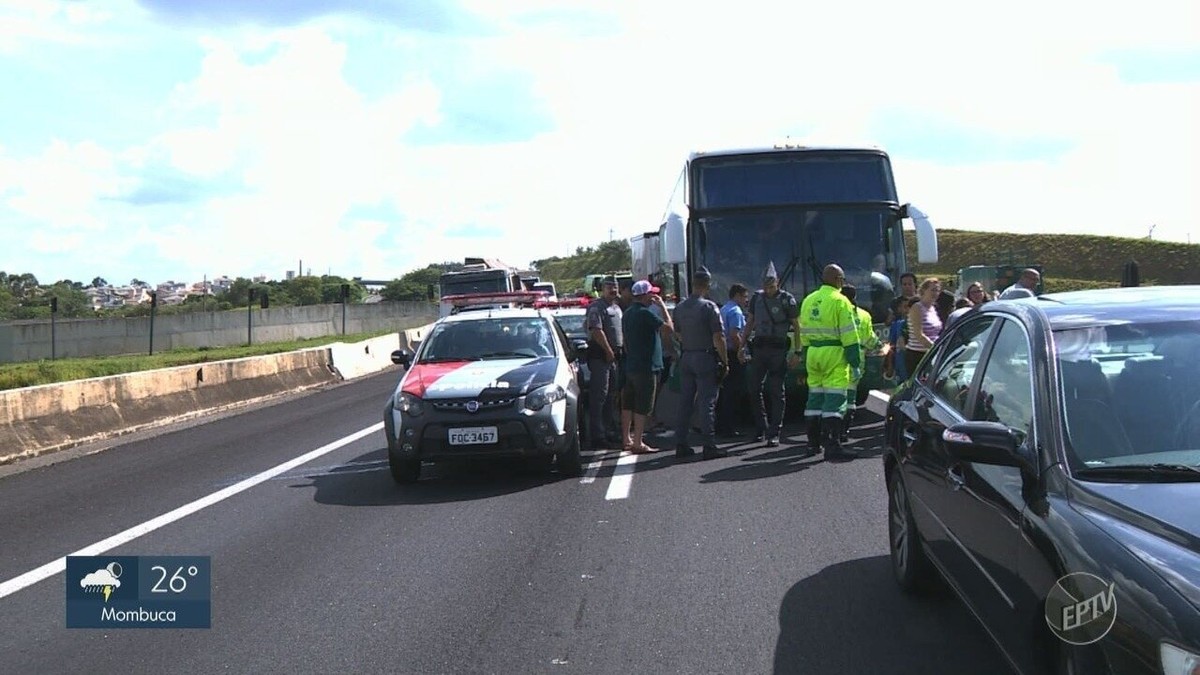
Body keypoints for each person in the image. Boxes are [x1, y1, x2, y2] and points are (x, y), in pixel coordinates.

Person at [798, 264, 860, 461]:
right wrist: (855, 362)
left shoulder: (808, 300)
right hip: (834, 353)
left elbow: (803, 331)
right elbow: (850, 335)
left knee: (814, 399)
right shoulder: (840, 301)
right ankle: (833, 446)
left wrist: (807, 354)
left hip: (813, 353)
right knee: (835, 399)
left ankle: (812, 444)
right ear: (838, 280)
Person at [672, 267, 729, 460]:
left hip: (687, 356)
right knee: (707, 403)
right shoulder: (709, 307)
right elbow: (719, 337)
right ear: (708, 285)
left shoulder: (679, 307)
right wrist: (724, 361)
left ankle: (681, 443)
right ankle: (709, 446)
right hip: (704, 356)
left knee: (685, 402)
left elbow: (677, 333)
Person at [742, 262, 800, 447]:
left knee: (776, 390)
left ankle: (775, 432)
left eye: (772, 286)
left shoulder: (787, 300)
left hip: (778, 350)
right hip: (759, 348)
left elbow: (797, 326)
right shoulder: (756, 299)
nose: (769, 290)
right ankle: (761, 427)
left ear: (778, 283)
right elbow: (750, 322)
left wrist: (797, 352)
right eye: (766, 286)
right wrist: (742, 345)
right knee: (753, 388)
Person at [620, 280, 674, 454]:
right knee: (643, 405)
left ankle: (626, 438)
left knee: (628, 403)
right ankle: (638, 442)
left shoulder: (627, 313)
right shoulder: (645, 314)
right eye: (652, 293)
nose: (654, 297)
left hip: (631, 364)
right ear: (645, 295)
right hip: (646, 366)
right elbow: (668, 329)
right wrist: (663, 308)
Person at [840, 284, 889, 441]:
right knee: (850, 398)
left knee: (832, 397)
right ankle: (844, 432)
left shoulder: (833, 311)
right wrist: (882, 346)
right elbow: (870, 339)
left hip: (834, 359)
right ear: (855, 298)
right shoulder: (864, 315)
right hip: (856, 361)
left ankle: (829, 432)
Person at [584, 276, 623, 450]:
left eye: (615, 287)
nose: (613, 290)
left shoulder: (616, 307)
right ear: (602, 289)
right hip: (601, 357)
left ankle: (609, 431)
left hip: (615, 357)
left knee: (611, 397)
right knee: (599, 396)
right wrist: (607, 351)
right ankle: (597, 435)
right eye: (609, 287)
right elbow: (596, 331)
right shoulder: (596, 307)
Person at [716, 283, 750, 437]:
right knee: (735, 391)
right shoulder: (736, 311)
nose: (746, 300)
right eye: (744, 296)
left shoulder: (723, 309)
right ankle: (729, 426)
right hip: (733, 354)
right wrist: (741, 352)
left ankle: (721, 424)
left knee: (725, 391)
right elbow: (734, 335)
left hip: (724, 353)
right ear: (737, 295)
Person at [904, 278, 943, 376]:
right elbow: (919, 334)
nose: (935, 293)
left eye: (937, 290)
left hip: (930, 353)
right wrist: (936, 349)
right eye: (932, 290)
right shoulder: (917, 308)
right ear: (923, 291)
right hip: (917, 355)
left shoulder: (933, 309)